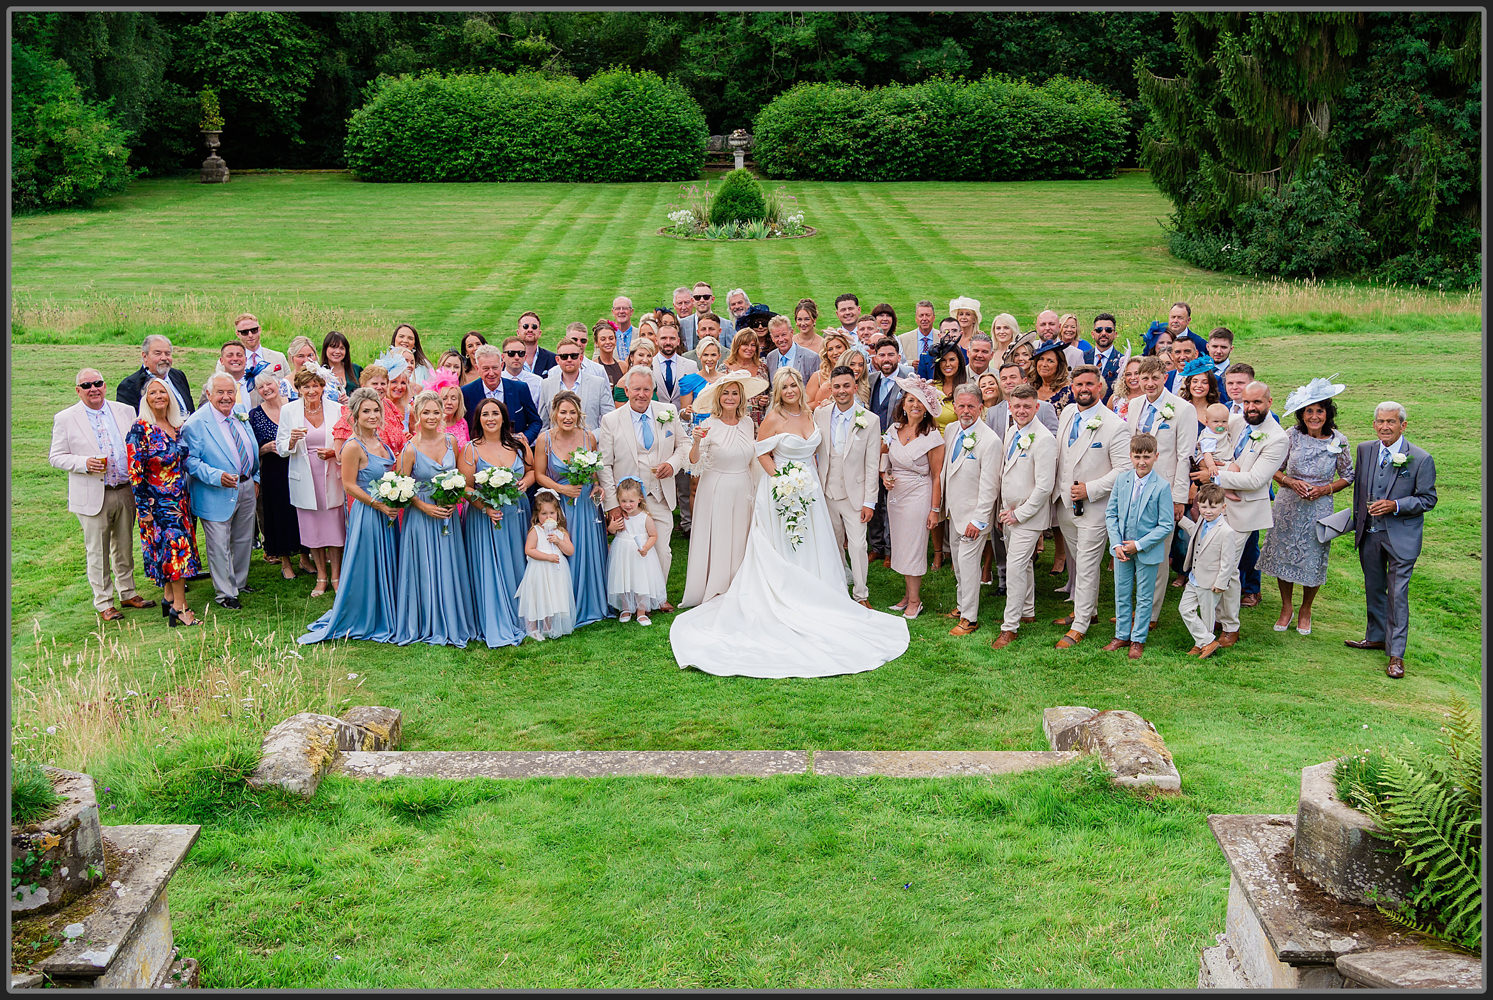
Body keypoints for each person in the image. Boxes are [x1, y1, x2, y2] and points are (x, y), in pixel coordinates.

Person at [670, 367, 910, 677]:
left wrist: (801, 483)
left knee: (815, 543)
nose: (790, 391)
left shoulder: (815, 415)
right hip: (781, 489)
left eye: (793, 385)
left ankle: (821, 593)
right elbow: (761, 453)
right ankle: (782, 595)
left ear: (800, 387)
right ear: (778, 392)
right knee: (782, 546)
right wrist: (784, 482)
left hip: (810, 491)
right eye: (784, 387)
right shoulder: (773, 418)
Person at [299, 388, 402, 645]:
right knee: (367, 564)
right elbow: (349, 485)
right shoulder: (352, 446)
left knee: (387, 561)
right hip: (368, 514)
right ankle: (366, 613)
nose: (372, 415)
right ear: (354, 414)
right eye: (366, 411)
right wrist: (378, 504)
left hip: (386, 513)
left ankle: (387, 608)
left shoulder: (381, 443)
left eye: (376, 410)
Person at [52, 368, 156, 621]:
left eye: (97, 383)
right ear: (78, 390)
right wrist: (85, 463)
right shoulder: (66, 418)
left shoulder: (124, 411)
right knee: (97, 550)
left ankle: (128, 592)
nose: (93, 388)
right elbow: (56, 457)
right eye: (86, 385)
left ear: (105, 385)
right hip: (92, 493)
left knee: (124, 545)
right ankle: (104, 602)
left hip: (125, 489)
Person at [1193, 381, 1289, 646]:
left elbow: (1257, 479)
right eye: (1247, 402)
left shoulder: (1278, 437)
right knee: (1211, 562)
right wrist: (1207, 462)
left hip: (1244, 509)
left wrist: (1214, 477)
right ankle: (1211, 618)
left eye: (1257, 402)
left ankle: (1229, 626)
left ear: (1269, 402)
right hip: (1217, 506)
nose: (1251, 407)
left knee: (1228, 568)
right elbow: (1207, 440)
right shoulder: (1236, 421)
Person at [1345, 401, 1436, 679]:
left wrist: (1395, 505)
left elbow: (1428, 499)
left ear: (1403, 425)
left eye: (1391, 422)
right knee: (1373, 587)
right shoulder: (1365, 449)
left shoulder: (1420, 458)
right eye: (1381, 422)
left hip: (1401, 537)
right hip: (1370, 533)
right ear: (1374, 424)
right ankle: (1375, 636)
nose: (1385, 426)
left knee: (1397, 595)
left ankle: (1396, 655)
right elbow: (1360, 490)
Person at [1259, 378, 1355, 636]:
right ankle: (1286, 606)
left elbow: (1349, 475)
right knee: (1284, 554)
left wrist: (1325, 489)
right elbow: (1272, 469)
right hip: (1289, 504)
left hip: (1319, 507)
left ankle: (1306, 608)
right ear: (1302, 414)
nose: (1314, 416)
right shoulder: (1290, 436)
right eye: (1309, 411)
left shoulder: (1339, 440)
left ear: (1328, 413)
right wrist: (1291, 482)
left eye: (1320, 410)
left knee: (1313, 557)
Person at [1051, 365, 1132, 648]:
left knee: (1087, 565)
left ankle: (1080, 625)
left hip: (1095, 508)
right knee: (1077, 560)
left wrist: (1090, 489)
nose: (1083, 389)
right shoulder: (1068, 413)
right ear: (1072, 387)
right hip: (1065, 505)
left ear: (1100, 387)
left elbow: (1125, 469)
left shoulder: (1114, 425)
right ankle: (1090, 610)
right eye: (1078, 384)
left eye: (1089, 384)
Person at [597, 366, 690, 609]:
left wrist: (672, 463)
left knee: (662, 550)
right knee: (631, 551)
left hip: (659, 494)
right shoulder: (611, 420)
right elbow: (604, 464)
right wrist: (613, 505)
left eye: (646, 389)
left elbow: (684, 445)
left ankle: (658, 597)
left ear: (653, 390)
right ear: (626, 390)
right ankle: (632, 601)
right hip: (628, 501)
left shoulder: (668, 411)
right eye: (636, 389)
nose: (641, 394)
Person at [391, 391, 476, 647]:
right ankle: (427, 620)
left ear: (442, 414)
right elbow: (400, 488)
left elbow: (461, 478)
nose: (430, 416)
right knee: (425, 568)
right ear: (416, 414)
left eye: (435, 412)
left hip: (449, 515)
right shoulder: (410, 448)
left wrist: (455, 496)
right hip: (422, 518)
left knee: (450, 565)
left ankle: (453, 617)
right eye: (425, 412)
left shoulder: (451, 442)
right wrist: (423, 506)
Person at [680, 371, 762, 607]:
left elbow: (752, 459)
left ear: (741, 397)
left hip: (743, 488)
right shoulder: (708, 425)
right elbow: (693, 464)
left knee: (740, 538)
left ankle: (738, 583)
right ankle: (716, 587)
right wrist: (695, 442)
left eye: (734, 393)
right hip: (716, 490)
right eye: (725, 393)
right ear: (718, 397)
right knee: (720, 536)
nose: (730, 397)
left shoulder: (748, 423)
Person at [1126, 356, 1198, 625]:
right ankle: (1136, 607)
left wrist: (1179, 497)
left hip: (1164, 490)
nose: (1149, 383)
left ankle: (1151, 614)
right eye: (1144, 378)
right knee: (1135, 549)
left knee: (1157, 553)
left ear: (1164, 378)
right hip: (1134, 488)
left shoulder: (1182, 409)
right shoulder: (1134, 405)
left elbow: (1184, 456)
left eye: (1154, 378)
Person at [126, 377, 201, 626]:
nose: (158, 396)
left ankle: (169, 598)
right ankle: (181, 608)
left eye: (163, 392)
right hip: (157, 505)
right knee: (175, 553)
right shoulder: (140, 429)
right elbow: (135, 471)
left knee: (172, 552)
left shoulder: (175, 424)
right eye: (152, 392)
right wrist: (143, 508)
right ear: (145, 398)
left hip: (179, 500)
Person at [459, 397, 534, 648]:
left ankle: (523, 613)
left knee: (517, 562)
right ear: (478, 419)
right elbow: (466, 488)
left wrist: (526, 482)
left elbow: (532, 471)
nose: (490, 418)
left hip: (516, 514)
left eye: (495, 413)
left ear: (503, 417)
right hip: (486, 519)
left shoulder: (518, 444)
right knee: (493, 566)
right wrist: (486, 507)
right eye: (485, 414)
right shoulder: (471, 449)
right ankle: (495, 616)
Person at [182, 373, 260, 609]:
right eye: (220, 393)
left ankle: (239, 581)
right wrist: (217, 477)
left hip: (246, 486)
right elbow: (190, 462)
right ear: (208, 394)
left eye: (230, 392)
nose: (226, 398)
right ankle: (225, 594)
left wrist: (255, 477)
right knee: (219, 544)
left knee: (243, 538)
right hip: (215, 491)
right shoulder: (196, 423)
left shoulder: (239, 414)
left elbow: (251, 447)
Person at [533, 390, 608, 628]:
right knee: (566, 549)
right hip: (560, 505)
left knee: (588, 551)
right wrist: (562, 490)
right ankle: (566, 605)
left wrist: (596, 486)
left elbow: (594, 471)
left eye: (572, 412)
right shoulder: (545, 439)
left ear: (579, 414)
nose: (568, 417)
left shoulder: (588, 437)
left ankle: (592, 603)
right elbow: (538, 475)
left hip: (586, 504)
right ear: (554, 413)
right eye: (563, 412)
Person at [990, 386, 1057, 650]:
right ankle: (1027, 609)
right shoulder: (1011, 431)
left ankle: (1010, 627)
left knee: (1016, 568)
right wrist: (1005, 510)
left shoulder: (1043, 438)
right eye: (1016, 406)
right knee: (1024, 565)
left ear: (1036, 407)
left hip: (1028, 516)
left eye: (1026, 406)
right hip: (1010, 513)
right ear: (1010, 406)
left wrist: (1019, 513)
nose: (1021, 411)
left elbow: (1044, 487)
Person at [811, 366, 881, 609]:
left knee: (859, 545)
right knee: (833, 541)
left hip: (855, 494)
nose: (842, 391)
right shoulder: (820, 415)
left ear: (854, 386)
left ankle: (861, 594)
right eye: (837, 386)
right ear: (831, 389)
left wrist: (869, 501)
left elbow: (872, 464)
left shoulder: (870, 420)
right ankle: (839, 585)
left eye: (846, 386)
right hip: (826, 490)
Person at [274, 367, 346, 595]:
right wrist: (292, 441)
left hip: (331, 473)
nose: (312, 390)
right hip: (304, 477)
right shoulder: (288, 411)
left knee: (335, 528)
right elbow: (281, 448)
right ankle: (321, 577)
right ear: (299, 389)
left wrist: (334, 453)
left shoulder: (338, 410)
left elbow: (347, 442)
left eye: (316, 385)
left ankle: (336, 575)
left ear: (323, 387)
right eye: (306, 386)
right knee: (313, 530)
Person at [1102, 433, 1173, 659]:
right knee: (1121, 593)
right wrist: (1116, 544)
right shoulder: (1121, 480)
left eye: (1147, 456)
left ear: (1156, 456)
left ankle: (1138, 639)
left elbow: (1166, 525)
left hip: (1147, 551)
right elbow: (1111, 514)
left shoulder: (1161, 487)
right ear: (1130, 456)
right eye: (1137, 456)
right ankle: (1121, 634)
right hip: (1122, 549)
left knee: (1144, 597)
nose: (1142, 461)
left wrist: (1139, 544)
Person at [881, 376, 946, 619]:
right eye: (911, 400)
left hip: (919, 495)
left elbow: (937, 476)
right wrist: (884, 475)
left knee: (914, 548)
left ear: (927, 408)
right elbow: (883, 457)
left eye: (920, 401)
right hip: (896, 497)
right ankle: (908, 595)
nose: (915, 405)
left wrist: (934, 509)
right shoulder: (894, 430)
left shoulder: (932, 437)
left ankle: (915, 601)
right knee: (900, 547)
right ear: (904, 404)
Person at [941, 384, 1001, 636]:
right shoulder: (952, 430)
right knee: (958, 563)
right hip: (953, 512)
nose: (965, 411)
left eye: (970, 406)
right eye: (961, 406)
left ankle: (970, 617)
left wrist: (978, 520)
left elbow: (990, 486)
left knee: (968, 566)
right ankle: (960, 605)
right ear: (954, 407)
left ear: (980, 407)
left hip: (973, 517)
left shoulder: (990, 441)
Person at [248, 372, 306, 580]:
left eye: (268, 384)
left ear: (278, 383)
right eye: (260, 387)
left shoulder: (294, 405)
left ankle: (305, 556)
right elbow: (252, 448)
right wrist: (264, 448)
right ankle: (285, 561)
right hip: (273, 471)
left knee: (300, 510)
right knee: (279, 514)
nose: (266, 389)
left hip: (298, 464)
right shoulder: (255, 415)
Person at [1176, 483, 1243, 659]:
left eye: (1213, 507)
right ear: (1198, 506)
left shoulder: (1226, 532)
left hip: (1211, 581)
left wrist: (1221, 583)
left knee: (1207, 616)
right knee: (1184, 609)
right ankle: (1207, 641)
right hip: (1194, 577)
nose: (1208, 511)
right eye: (1204, 507)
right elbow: (1195, 533)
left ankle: (1201, 645)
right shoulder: (1201, 521)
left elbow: (1228, 562)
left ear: (1223, 507)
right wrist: (1181, 520)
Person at [606, 478, 668, 625]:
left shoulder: (645, 518)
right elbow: (611, 532)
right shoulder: (620, 516)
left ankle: (641, 611)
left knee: (641, 582)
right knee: (624, 580)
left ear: (640, 499)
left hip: (641, 555)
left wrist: (646, 547)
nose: (627, 505)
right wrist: (612, 527)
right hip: (622, 554)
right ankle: (626, 608)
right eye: (623, 501)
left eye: (631, 501)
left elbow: (653, 535)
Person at [517, 489, 576, 640]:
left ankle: (548, 627)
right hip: (539, 570)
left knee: (552, 598)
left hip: (556, 573)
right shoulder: (536, 531)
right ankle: (533, 628)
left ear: (558, 514)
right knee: (538, 597)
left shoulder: (561, 532)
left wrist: (559, 541)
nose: (548, 517)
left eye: (551, 513)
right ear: (537, 515)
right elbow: (529, 550)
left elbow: (570, 551)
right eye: (544, 514)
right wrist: (547, 557)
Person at [461, 343, 541, 446]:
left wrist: (525, 438)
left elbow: (535, 422)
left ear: (501, 366)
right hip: (481, 453)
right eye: (486, 369)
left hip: (515, 451)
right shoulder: (466, 392)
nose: (491, 373)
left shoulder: (520, 388)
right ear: (477, 369)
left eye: (495, 368)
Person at [539, 337, 610, 433]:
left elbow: (609, 420)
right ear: (557, 359)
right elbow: (543, 423)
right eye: (564, 356)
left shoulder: (598, 384)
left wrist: (590, 438)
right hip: (556, 445)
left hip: (589, 444)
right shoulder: (546, 385)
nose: (569, 359)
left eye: (573, 356)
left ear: (580, 358)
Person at [116, 335, 194, 417]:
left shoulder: (178, 376)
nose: (164, 358)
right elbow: (129, 421)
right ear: (145, 356)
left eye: (167, 354)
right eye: (158, 353)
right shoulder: (129, 386)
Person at [723, 329, 771, 426]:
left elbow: (769, 393)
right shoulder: (725, 369)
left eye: (753, 345)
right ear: (737, 346)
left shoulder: (763, 368)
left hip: (759, 423)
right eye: (745, 344)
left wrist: (765, 400)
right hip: (733, 422)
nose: (749, 348)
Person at [234, 313, 289, 396]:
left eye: (254, 330)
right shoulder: (229, 363)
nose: (250, 335)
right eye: (245, 332)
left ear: (259, 329)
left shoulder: (279, 357)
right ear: (238, 334)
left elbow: (290, 385)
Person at [421, 370, 470, 450]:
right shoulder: (430, 423)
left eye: (453, 398)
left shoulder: (462, 423)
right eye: (444, 398)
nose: (449, 402)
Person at [766, 314, 820, 385]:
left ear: (791, 332)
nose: (781, 339)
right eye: (776, 336)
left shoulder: (811, 358)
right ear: (772, 338)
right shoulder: (771, 357)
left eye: (784, 334)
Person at [680, 282, 736, 351]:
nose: (702, 300)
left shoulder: (726, 325)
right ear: (692, 300)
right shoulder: (682, 324)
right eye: (697, 297)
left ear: (712, 299)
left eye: (706, 297)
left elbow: (732, 352)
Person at [1143, 301, 1208, 359]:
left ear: (1188, 320)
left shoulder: (1200, 343)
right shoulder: (1156, 338)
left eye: (1180, 318)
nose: (1175, 321)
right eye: (1173, 317)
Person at [930, 341, 967, 432]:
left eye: (952, 360)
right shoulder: (931, 387)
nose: (947, 364)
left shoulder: (966, 390)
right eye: (943, 360)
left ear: (959, 361)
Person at [1031, 342, 1074, 411]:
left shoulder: (1070, 392)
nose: (1044, 364)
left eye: (1050, 361)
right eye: (1041, 359)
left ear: (1059, 366)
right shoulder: (1031, 387)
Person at [1090, 314, 1125, 398]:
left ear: (1115, 334)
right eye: (1099, 330)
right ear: (1092, 334)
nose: (1103, 333)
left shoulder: (1122, 361)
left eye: (1108, 330)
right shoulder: (1082, 357)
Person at [390, 323, 435, 387]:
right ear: (394, 339)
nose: (405, 340)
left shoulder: (424, 365)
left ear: (414, 344)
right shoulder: (384, 363)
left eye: (410, 338)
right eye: (401, 336)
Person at [321, 331, 361, 397]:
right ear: (325, 349)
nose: (337, 352)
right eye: (333, 347)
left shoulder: (356, 370)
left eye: (341, 348)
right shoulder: (320, 373)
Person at [898, 300, 939, 365]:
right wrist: (911, 363)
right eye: (921, 315)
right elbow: (897, 362)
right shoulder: (902, 339)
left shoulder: (941, 338)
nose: (924, 318)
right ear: (916, 319)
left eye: (928, 315)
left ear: (933, 318)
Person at [1207, 327, 1236, 404]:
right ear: (1208, 347)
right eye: (1215, 346)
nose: (1218, 351)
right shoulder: (1198, 370)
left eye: (1223, 347)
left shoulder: (1236, 376)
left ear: (1231, 349)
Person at [592, 322, 625, 386]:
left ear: (615, 341)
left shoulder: (623, 366)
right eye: (603, 339)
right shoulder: (593, 367)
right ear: (596, 343)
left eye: (611, 338)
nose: (608, 342)